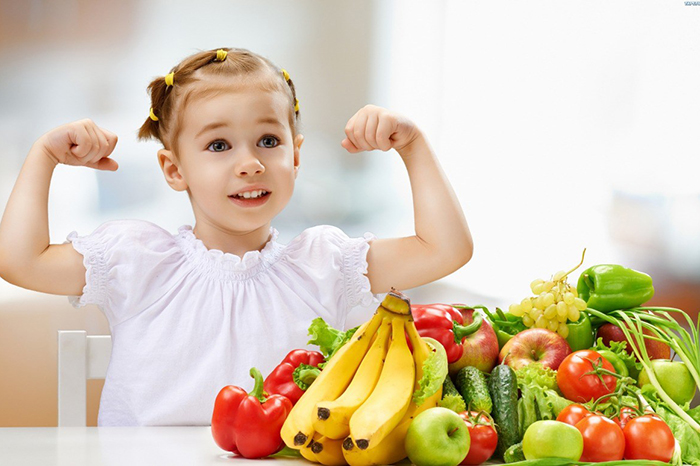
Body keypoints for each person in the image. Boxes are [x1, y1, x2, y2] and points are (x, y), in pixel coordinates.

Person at [0, 47, 473, 426]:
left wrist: (413, 146)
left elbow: (446, 250)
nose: (250, 162)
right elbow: (20, 262)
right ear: (174, 168)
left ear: (296, 155)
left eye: (269, 141)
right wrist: (43, 156)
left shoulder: (325, 264)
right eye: (219, 145)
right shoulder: (136, 260)